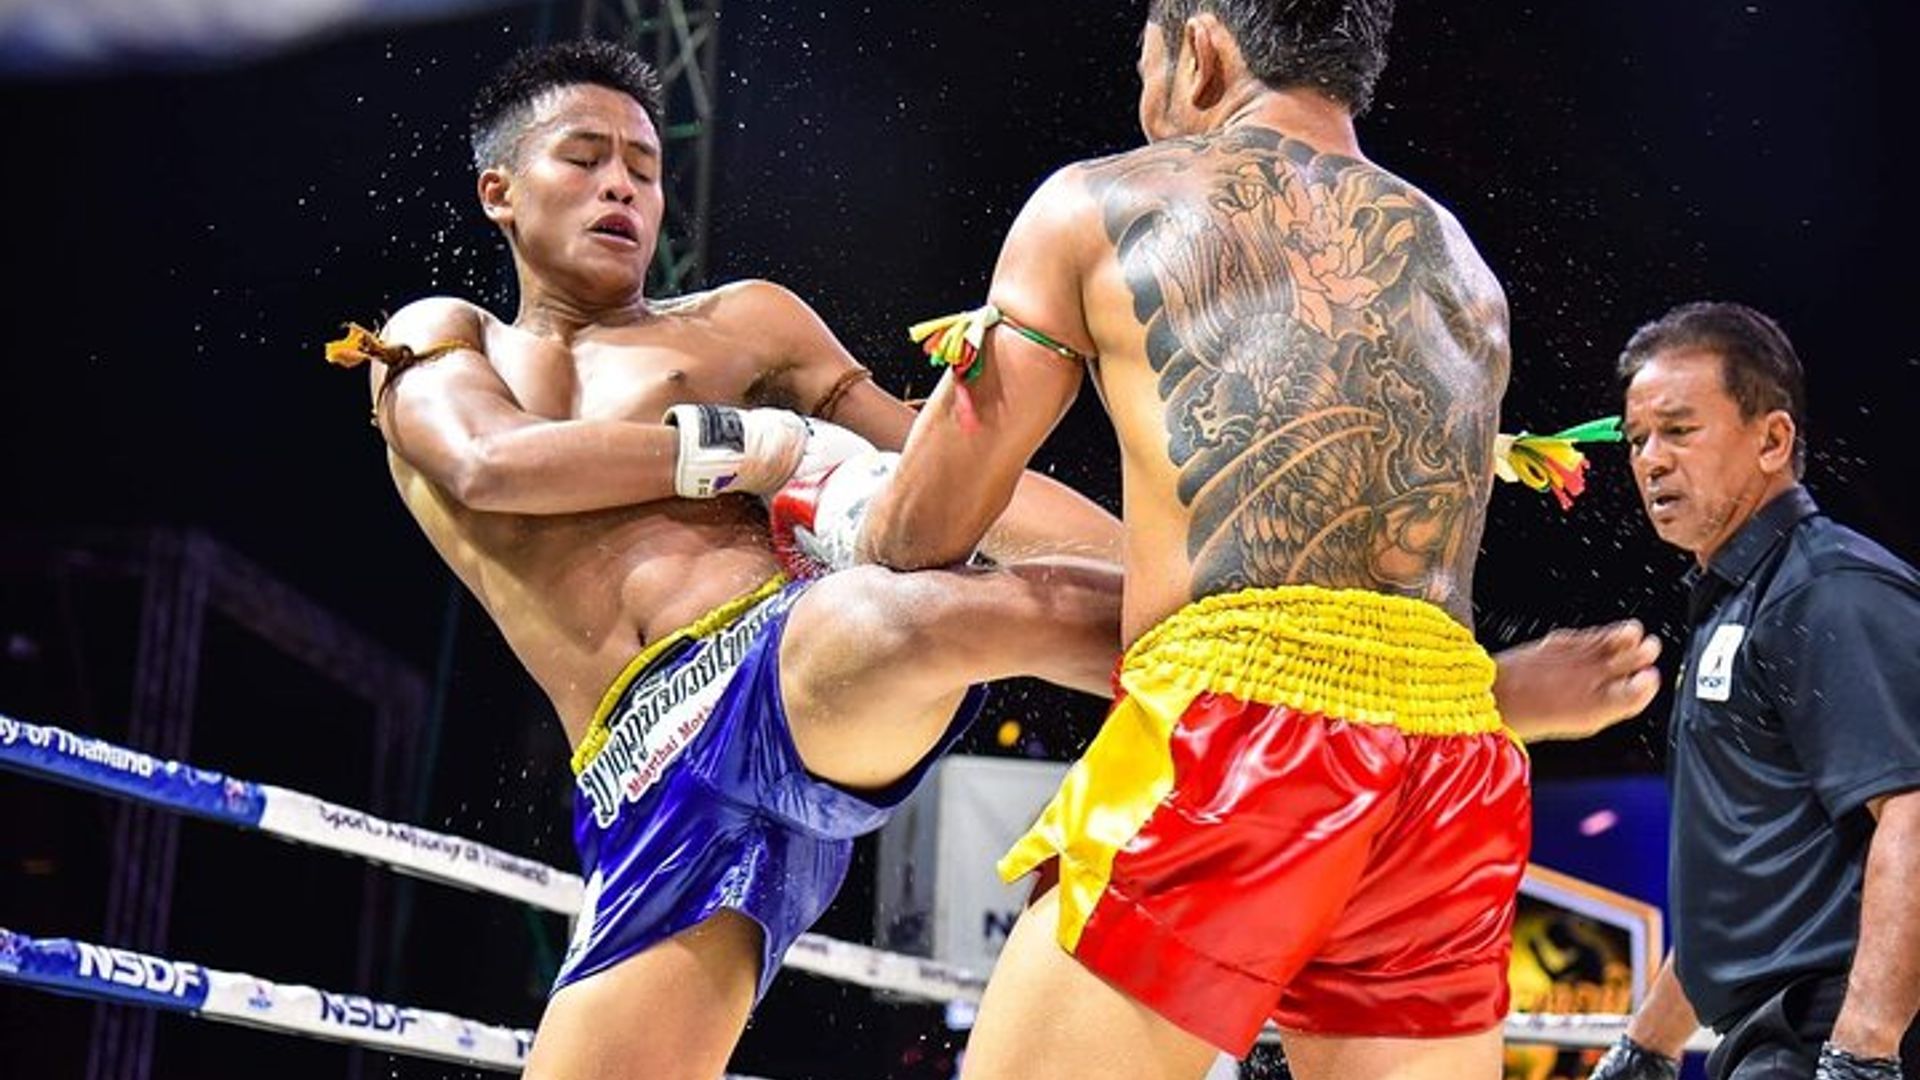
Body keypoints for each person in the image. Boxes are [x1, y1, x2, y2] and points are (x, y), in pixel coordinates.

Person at [856, 2, 1659, 1077]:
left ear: (1201, 51)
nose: (1143, 100)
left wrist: (846, 508)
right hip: (1450, 766)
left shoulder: (1100, 203)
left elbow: (925, 530)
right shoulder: (1460, 262)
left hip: (1239, 738)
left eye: (1144, 66)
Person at [328, 38, 1134, 1080]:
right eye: (584, 158)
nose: (622, 185)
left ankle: (1231, 638)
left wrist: (1161, 559)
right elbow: (490, 464)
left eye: (645, 168)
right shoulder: (441, 337)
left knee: (924, 608)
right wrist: (753, 449)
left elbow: (946, 472)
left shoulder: (743, 326)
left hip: (785, 667)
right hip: (640, 777)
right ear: (500, 192)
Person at [1586, 302, 1920, 1080]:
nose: (1650, 460)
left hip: (1835, 1032)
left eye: (1679, 430)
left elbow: (1912, 812)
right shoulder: (1742, 600)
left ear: (1772, 440)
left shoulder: (1828, 590)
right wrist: (1646, 1046)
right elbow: (1750, 883)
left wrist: (1863, 1051)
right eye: (1636, 439)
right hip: (1782, 1035)